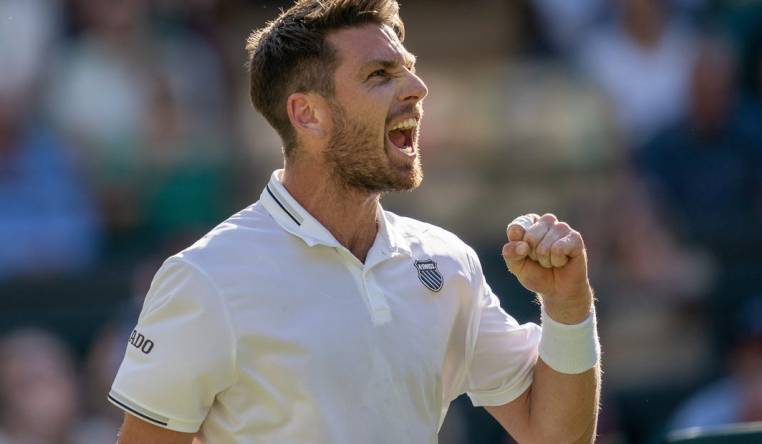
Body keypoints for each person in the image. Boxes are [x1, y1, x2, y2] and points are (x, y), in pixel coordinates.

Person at [109, 1, 601, 443]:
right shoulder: (205, 277)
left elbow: (557, 437)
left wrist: (567, 304)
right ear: (307, 115)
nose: (418, 88)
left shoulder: (449, 263)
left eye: (407, 69)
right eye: (380, 74)